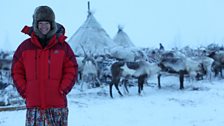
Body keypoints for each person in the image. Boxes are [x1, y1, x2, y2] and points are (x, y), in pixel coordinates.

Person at [11, 6, 78, 126]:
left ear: (52, 24)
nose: (43, 26)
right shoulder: (25, 47)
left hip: (57, 105)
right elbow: (16, 71)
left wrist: (63, 89)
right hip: (34, 107)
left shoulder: (63, 47)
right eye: (40, 23)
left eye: (46, 23)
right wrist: (25, 91)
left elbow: (72, 68)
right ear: (35, 24)